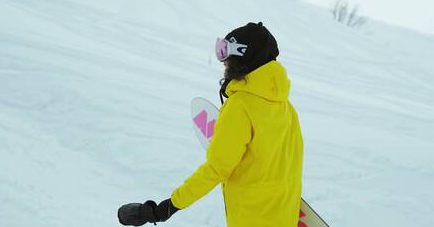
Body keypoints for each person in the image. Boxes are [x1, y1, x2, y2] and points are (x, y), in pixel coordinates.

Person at [118, 22, 304, 227]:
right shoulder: (287, 108)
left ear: (244, 58)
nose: (223, 62)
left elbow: (216, 169)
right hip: (283, 217)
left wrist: (165, 208)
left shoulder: (240, 107)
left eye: (226, 54)